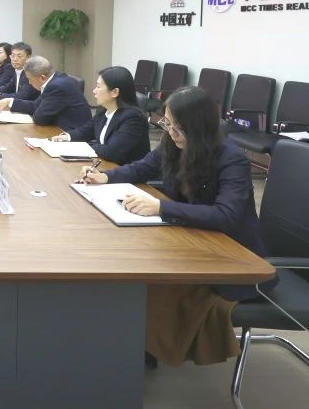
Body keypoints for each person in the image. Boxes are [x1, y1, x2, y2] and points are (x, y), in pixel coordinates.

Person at [78, 86, 273, 368]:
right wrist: (106, 177)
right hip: (191, 238)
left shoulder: (231, 158)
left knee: (148, 282)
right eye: (167, 124)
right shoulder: (173, 143)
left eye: (179, 127)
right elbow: (143, 167)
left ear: (200, 127)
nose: (172, 132)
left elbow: (226, 214)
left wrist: (161, 208)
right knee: (133, 265)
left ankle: (142, 352)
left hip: (230, 255)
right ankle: (134, 345)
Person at [52, 66, 150, 164]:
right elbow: (86, 131)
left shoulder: (133, 118)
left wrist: (83, 147)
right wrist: (66, 137)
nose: (94, 91)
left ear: (115, 92)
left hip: (124, 170)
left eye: (98, 87)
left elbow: (111, 152)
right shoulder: (105, 111)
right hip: (104, 164)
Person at [0, 56, 90, 130]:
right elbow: (35, 105)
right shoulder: (55, 78)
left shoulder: (56, 87)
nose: (29, 83)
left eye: (30, 79)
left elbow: (39, 118)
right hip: (58, 127)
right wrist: (9, 101)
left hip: (70, 132)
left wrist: (35, 112)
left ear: (42, 77)